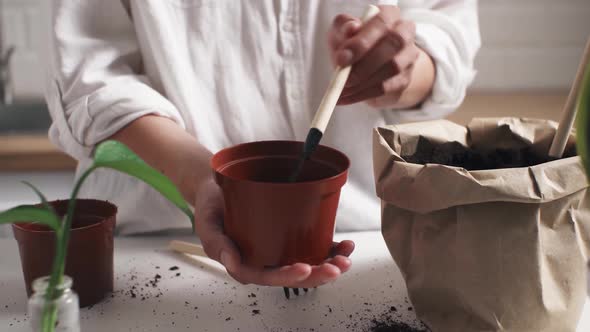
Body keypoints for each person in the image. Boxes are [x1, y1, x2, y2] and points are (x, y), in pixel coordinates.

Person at [45, 0, 480, 289]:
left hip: (373, 241)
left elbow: (447, 43)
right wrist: (200, 181)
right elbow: (92, 71)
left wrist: (403, 72)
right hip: (155, 242)